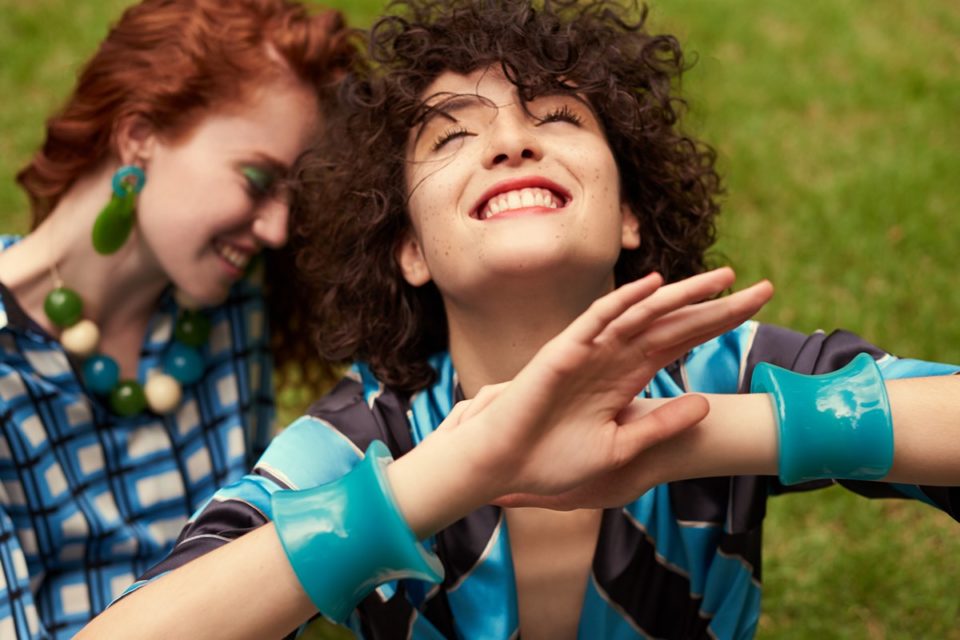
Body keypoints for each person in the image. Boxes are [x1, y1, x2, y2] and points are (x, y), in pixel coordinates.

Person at [80, 0, 959, 638]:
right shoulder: (370, 439)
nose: (509, 141)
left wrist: (699, 437)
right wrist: (453, 475)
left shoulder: (721, 374)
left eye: (559, 118)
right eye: (452, 136)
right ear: (409, 249)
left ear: (630, 215)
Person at [0, 0, 353, 637]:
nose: (277, 229)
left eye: (291, 196)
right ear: (140, 134)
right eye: (256, 178)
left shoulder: (226, 306)